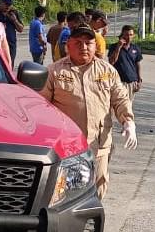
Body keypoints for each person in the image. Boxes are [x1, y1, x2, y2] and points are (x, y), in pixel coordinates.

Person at [40, 24, 137, 199]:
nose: (83, 47)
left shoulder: (107, 72)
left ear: (96, 45)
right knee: (62, 192)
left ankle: (90, 224)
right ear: (68, 45)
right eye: (78, 42)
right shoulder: (54, 72)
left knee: (97, 189)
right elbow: (41, 105)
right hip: (67, 147)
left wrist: (128, 122)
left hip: (99, 143)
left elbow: (120, 99)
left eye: (88, 43)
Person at [108, 25, 143, 104]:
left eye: (131, 35)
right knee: (117, 106)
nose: (128, 37)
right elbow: (111, 62)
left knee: (128, 106)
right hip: (119, 82)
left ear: (133, 36)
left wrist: (139, 80)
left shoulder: (135, 48)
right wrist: (118, 47)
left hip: (131, 82)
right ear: (122, 35)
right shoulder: (114, 47)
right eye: (126, 35)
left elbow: (138, 64)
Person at [0, 0, 24, 67]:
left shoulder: (13, 13)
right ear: (1, 2)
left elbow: (21, 29)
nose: (8, 6)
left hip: (11, 45)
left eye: (10, 5)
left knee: (9, 65)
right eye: (6, 4)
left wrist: (14, 20)